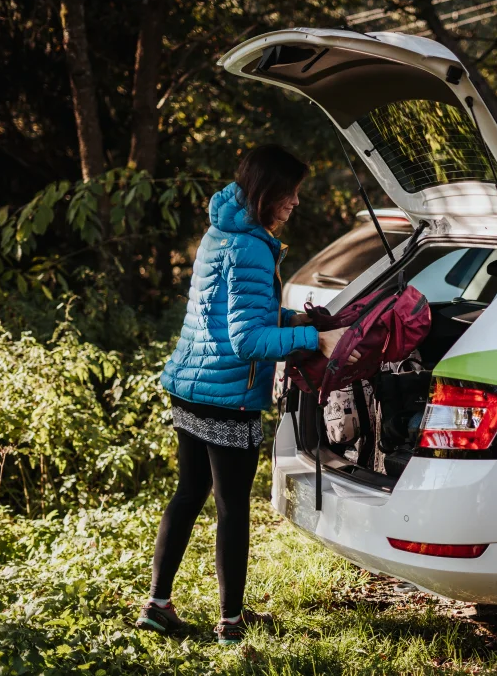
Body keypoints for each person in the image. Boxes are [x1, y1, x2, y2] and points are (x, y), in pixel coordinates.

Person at [135, 145, 357, 645]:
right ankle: (231, 625)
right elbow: (248, 341)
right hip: (226, 395)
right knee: (233, 507)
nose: (295, 202)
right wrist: (315, 340)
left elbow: (232, 315)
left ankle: (157, 606)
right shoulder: (252, 247)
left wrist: (294, 321)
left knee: (189, 492)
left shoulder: (220, 232)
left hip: (191, 385)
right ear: (267, 192)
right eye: (290, 193)